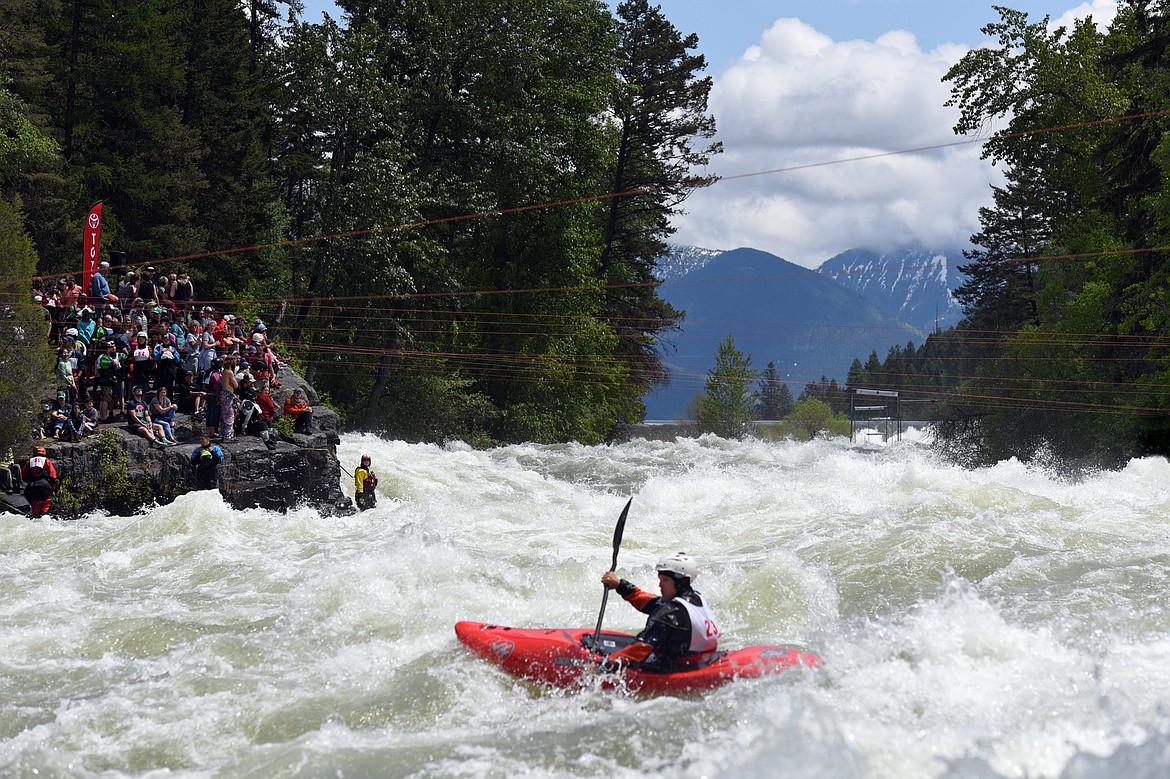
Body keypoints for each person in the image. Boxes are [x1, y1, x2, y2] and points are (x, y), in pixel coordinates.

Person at [598, 552, 720, 671]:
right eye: (660, 579)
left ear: (681, 582)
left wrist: (600, 666)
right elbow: (651, 602)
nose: (660, 585)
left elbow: (641, 649)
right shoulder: (696, 598)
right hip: (704, 660)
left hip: (680, 668)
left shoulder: (670, 612)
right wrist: (620, 585)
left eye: (665, 580)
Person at [22, 446, 58, 518]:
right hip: (44, 485)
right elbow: (53, 476)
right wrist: (53, 489)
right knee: (46, 502)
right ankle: (44, 514)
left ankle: (36, 516)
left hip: (32, 485)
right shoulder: (46, 461)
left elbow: (24, 475)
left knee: (35, 503)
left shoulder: (30, 461)